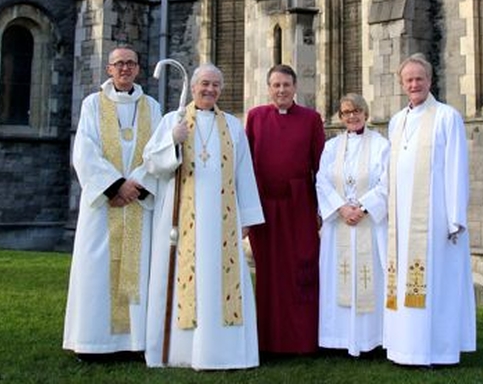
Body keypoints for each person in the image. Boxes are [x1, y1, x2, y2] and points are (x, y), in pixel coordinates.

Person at [143, 64, 264, 370]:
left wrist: (247, 216)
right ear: (194, 87)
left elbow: (244, 173)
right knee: (186, 280)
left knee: (220, 283)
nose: (210, 90)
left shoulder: (234, 127)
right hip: (183, 222)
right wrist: (173, 139)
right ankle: (181, 352)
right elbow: (152, 164)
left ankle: (224, 352)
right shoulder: (175, 120)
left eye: (215, 85)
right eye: (204, 84)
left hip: (223, 223)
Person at [63, 46, 161, 358]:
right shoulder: (93, 104)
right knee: (96, 271)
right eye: (119, 64)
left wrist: (136, 186)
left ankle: (134, 344)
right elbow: (85, 151)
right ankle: (93, 344)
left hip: (136, 205)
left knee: (138, 270)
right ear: (109, 69)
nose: (124, 69)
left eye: (131, 63)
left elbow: (158, 152)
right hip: (103, 207)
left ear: (138, 69)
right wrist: (116, 186)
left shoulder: (152, 107)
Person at [383, 53, 476, 367]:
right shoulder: (397, 122)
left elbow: (456, 168)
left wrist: (455, 219)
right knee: (402, 283)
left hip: (435, 219)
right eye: (408, 80)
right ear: (401, 84)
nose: (413, 84)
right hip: (402, 221)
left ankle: (435, 351)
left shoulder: (447, 117)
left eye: (418, 79)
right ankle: (403, 349)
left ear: (430, 81)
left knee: (436, 284)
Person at [246, 64, 326, 355]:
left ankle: (303, 340)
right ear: (269, 88)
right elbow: (246, 166)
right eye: (276, 85)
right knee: (268, 272)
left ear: (295, 88)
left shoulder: (311, 119)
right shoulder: (255, 118)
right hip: (264, 207)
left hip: (299, 205)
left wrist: (322, 210)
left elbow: (322, 168)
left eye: (286, 85)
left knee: (301, 268)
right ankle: (267, 340)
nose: (281, 90)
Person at [316, 93, 389, 357]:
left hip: (369, 225)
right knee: (338, 277)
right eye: (346, 112)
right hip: (338, 226)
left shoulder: (381, 145)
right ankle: (337, 338)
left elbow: (386, 182)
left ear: (366, 114)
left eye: (357, 111)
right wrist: (341, 208)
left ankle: (370, 339)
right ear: (340, 116)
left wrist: (364, 207)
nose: (352, 116)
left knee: (370, 279)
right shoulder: (332, 147)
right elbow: (322, 180)